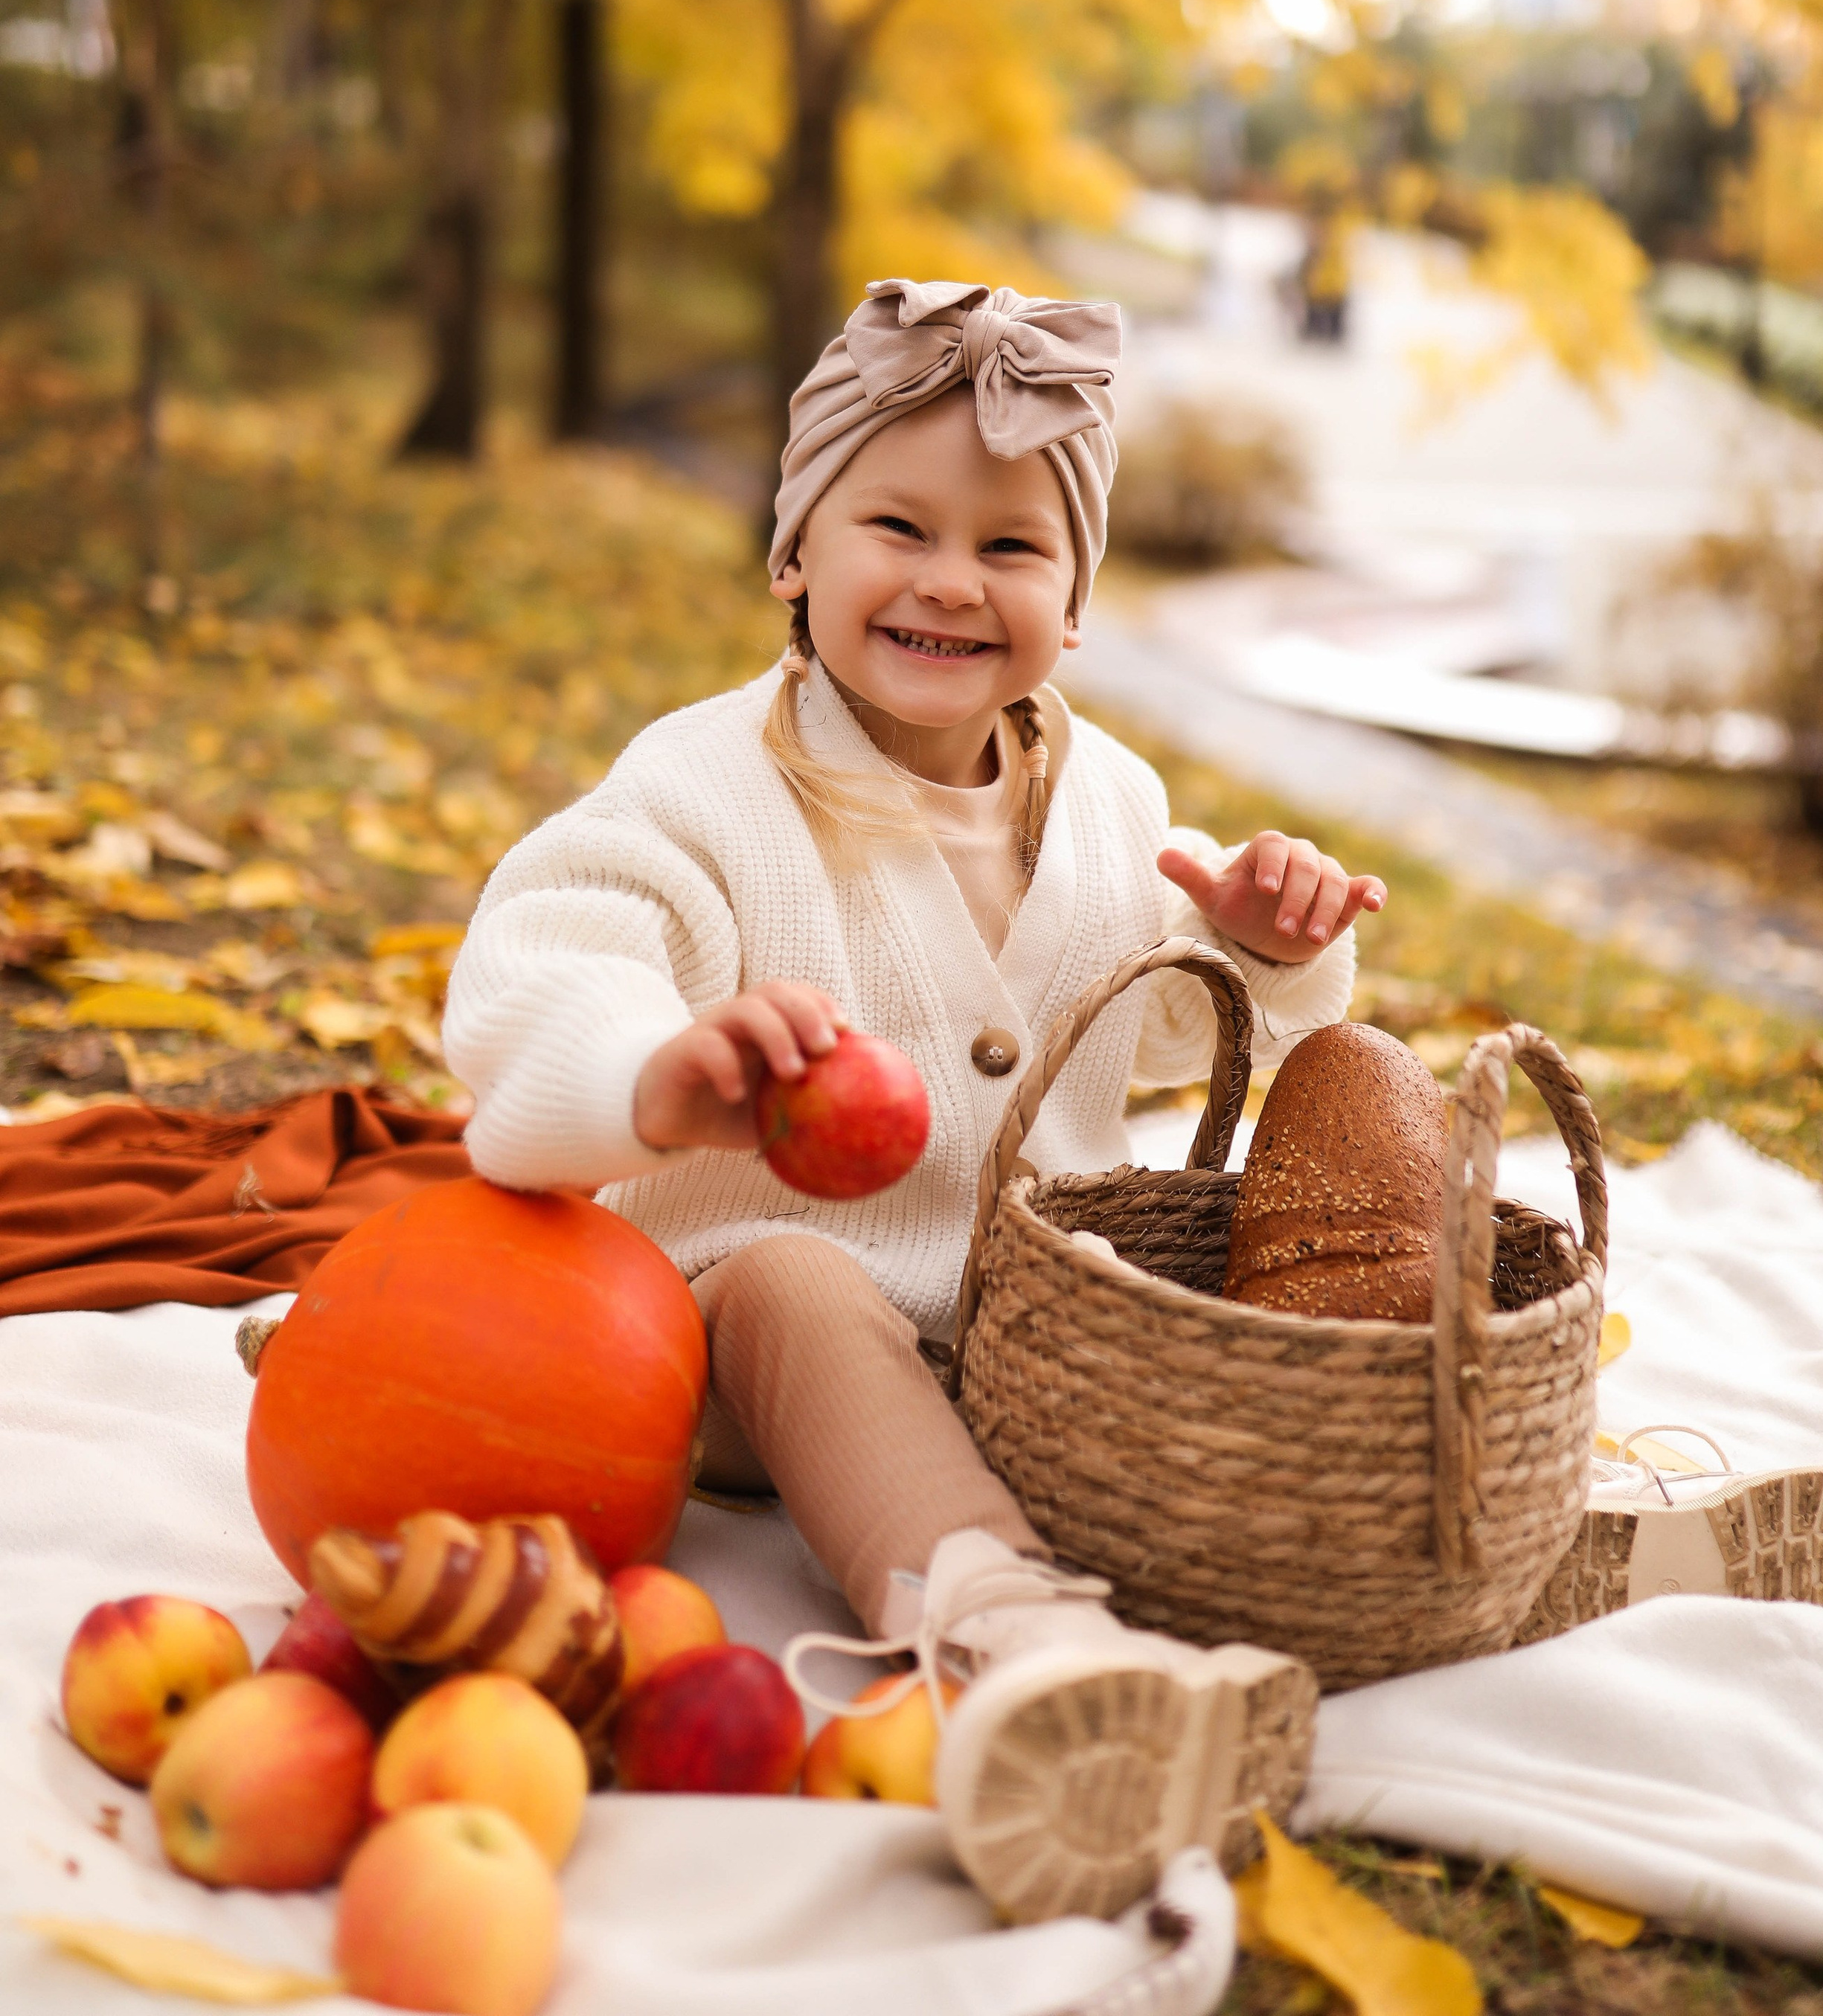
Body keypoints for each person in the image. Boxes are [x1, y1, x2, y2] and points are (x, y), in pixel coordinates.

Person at [444, 279, 1388, 1922]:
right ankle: (1010, 1636)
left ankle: (1407, 1540)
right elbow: (546, 960)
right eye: (897, 525)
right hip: (746, 1342)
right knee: (795, 1281)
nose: (952, 582)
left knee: (1217, 1302)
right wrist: (656, 1077)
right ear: (793, 552)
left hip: (1030, 1342)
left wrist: (1255, 950)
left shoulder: (1111, 804)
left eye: (1014, 549)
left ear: (1077, 601)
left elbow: (1151, 1033)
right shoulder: (703, 787)